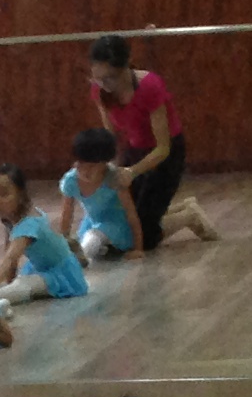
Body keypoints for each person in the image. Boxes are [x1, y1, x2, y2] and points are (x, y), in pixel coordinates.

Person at [84, 34, 214, 249]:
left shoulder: (149, 86)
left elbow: (163, 148)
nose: (105, 85)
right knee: (123, 217)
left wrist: (132, 172)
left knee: (142, 236)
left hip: (165, 155)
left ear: (126, 67)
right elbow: (110, 134)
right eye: (98, 79)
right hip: (135, 149)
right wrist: (108, 166)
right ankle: (178, 208)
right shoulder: (101, 90)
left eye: (110, 78)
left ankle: (189, 216)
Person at [0, 164, 89, 304]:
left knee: (22, 285)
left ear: (21, 195)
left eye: (4, 194)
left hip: (62, 274)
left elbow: (11, 257)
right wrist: (9, 280)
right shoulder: (11, 218)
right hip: (42, 268)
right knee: (19, 284)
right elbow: (9, 252)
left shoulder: (29, 223)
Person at [59, 129, 141, 261]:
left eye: (91, 167)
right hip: (92, 222)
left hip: (116, 225)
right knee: (85, 241)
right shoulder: (71, 181)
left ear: (105, 164)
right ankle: (102, 250)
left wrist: (138, 248)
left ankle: (92, 254)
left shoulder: (114, 179)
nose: (85, 171)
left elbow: (131, 213)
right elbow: (66, 216)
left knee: (91, 242)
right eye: (80, 165)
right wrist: (62, 243)